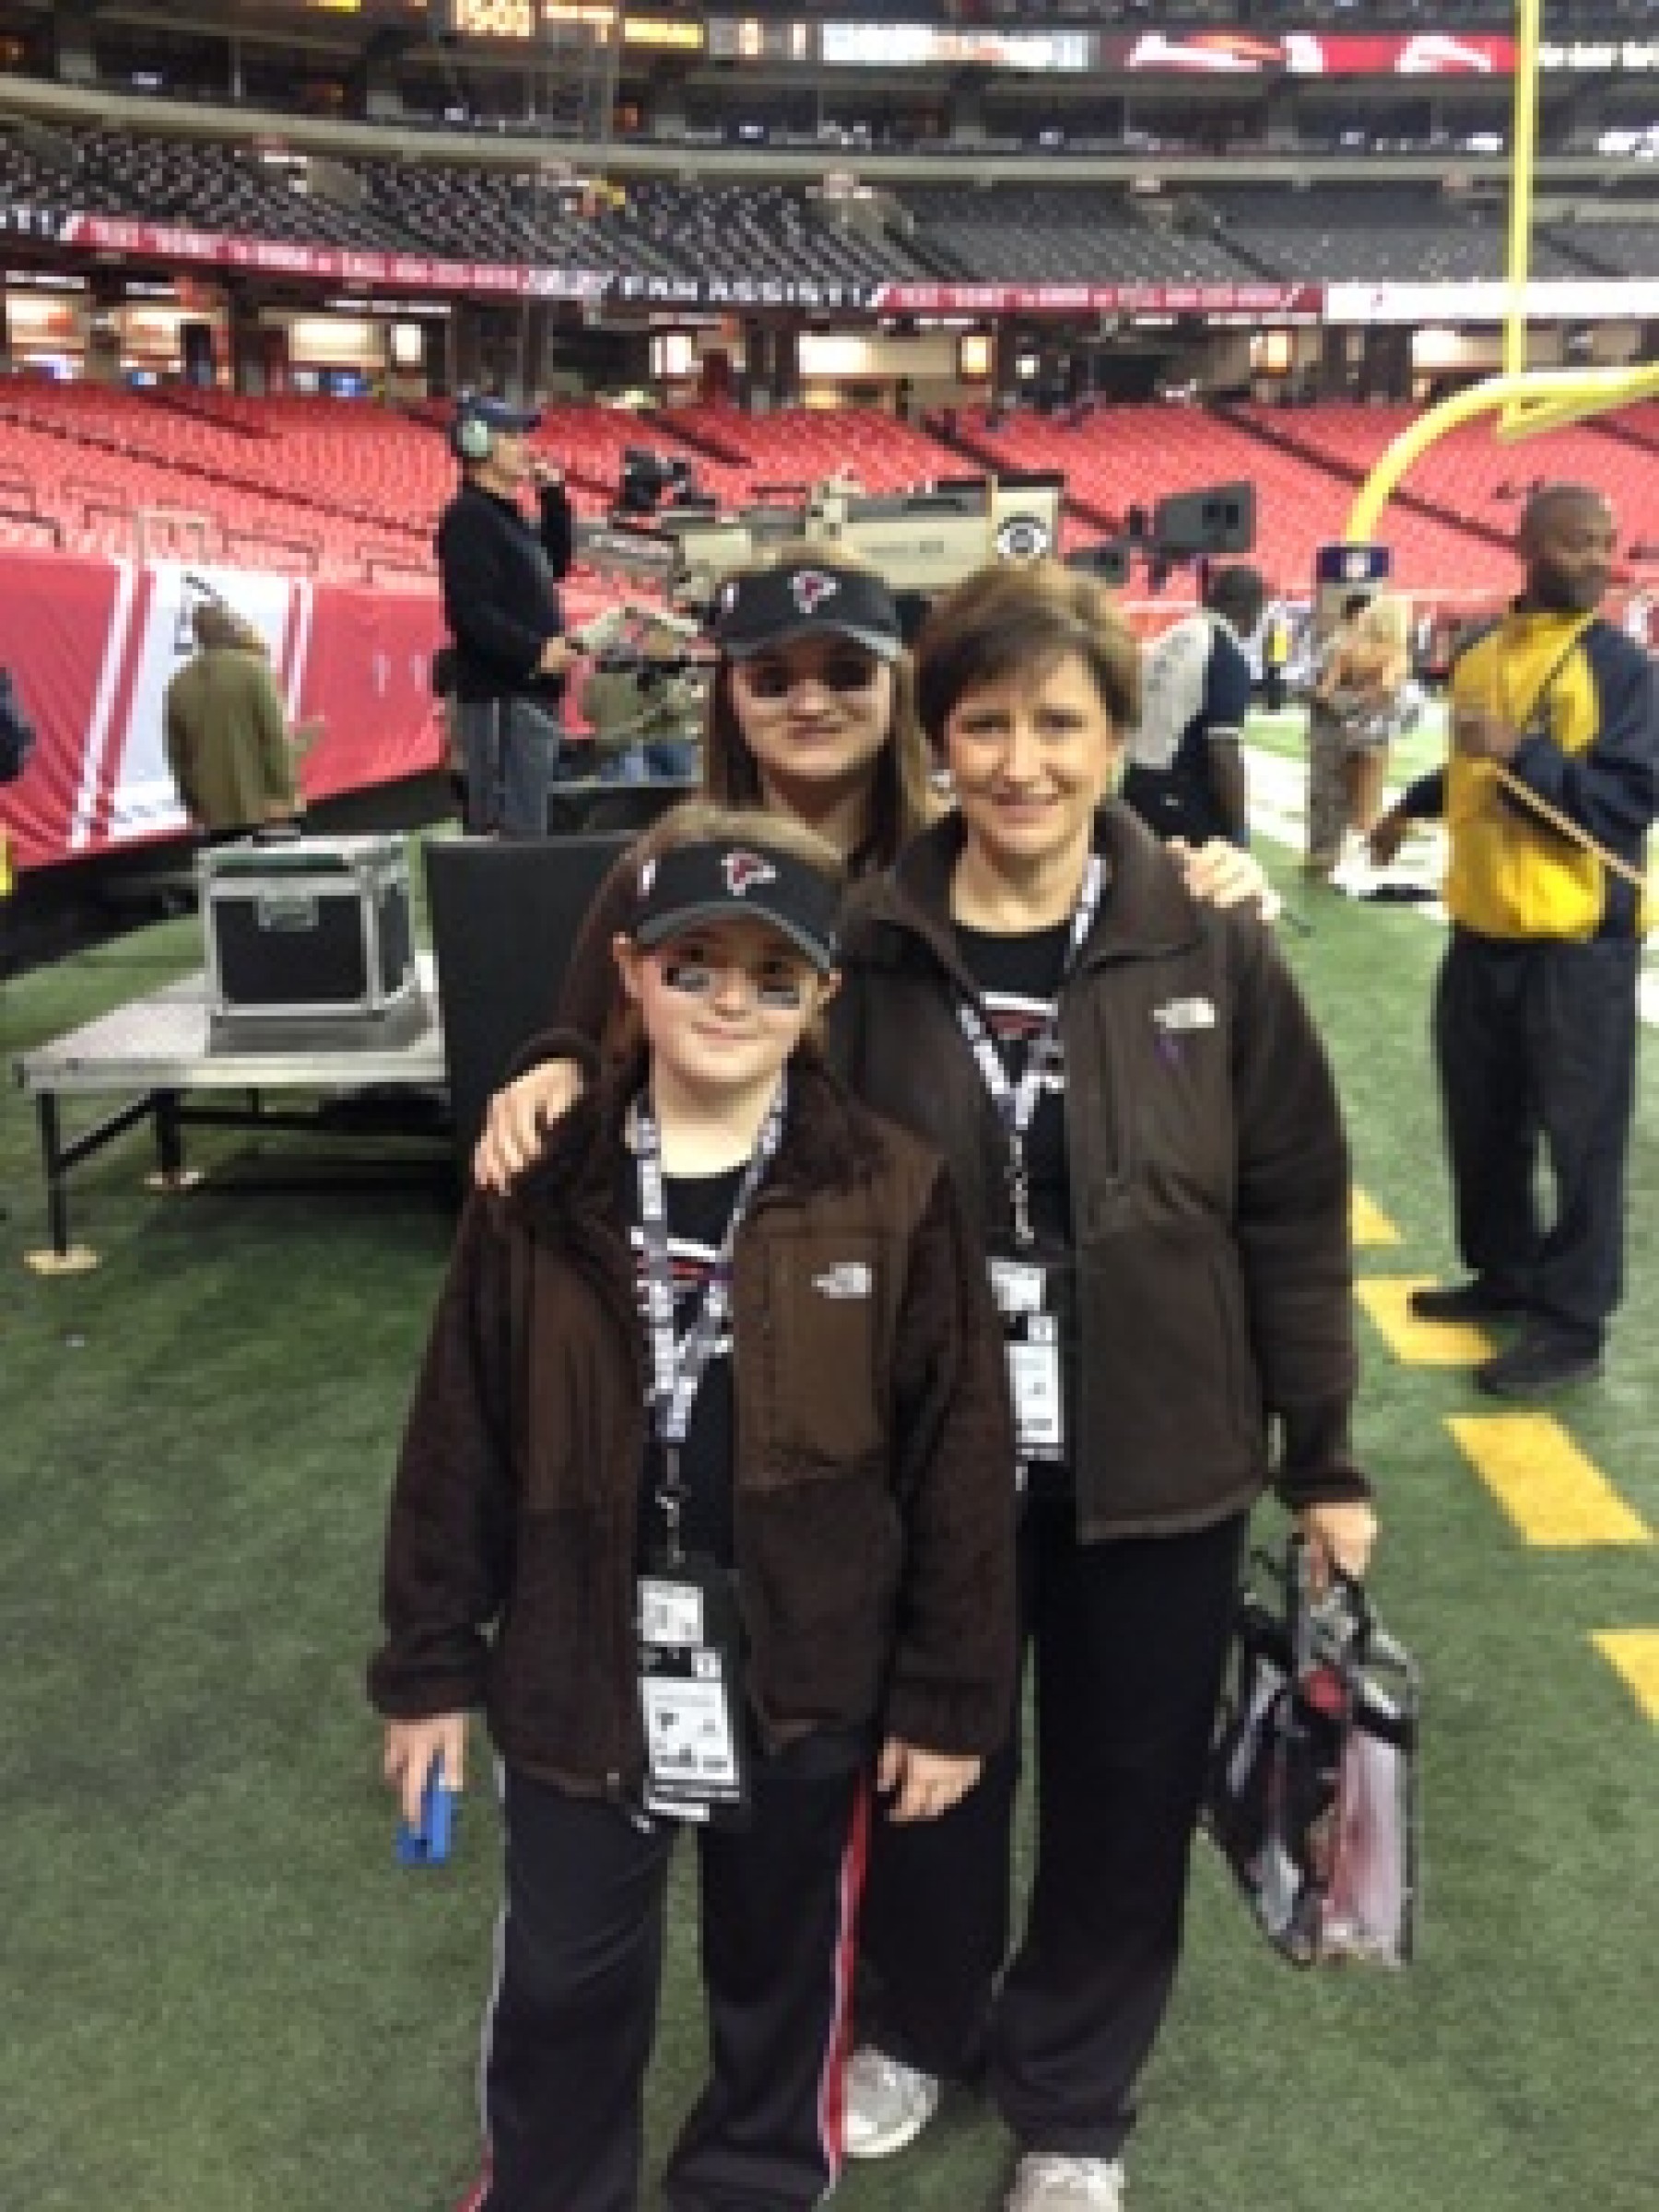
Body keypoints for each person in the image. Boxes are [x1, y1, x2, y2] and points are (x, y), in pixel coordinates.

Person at [369, 803, 1018, 2212]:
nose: (732, 1000)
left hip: (807, 1666)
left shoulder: (895, 1192)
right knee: (561, 1970)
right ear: (629, 970)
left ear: (822, 999)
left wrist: (950, 1695)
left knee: (785, 1972)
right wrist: (428, 1667)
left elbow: (960, 1460)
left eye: (773, 976)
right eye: (695, 965)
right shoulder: (534, 1185)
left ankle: (754, 2184)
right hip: (574, 1662)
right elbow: (455, 1437)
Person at [830, 560, 1377, 2212]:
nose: (1018, 761)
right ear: (936, 741)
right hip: (933, 1464)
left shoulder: (1207, 938)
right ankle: (918, 2025)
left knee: (1126, 1790)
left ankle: (1075, 2098)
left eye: (1056, 722)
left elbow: (1288, 1202)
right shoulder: (865, 946)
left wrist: (1327, 1456)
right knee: (931, 1760)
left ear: (1116, 730)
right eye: (982, 723)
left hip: (1164, 1459)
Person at [474, 547, 1270, 1188]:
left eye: (847, 673)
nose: (810, 703)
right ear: (730, 700)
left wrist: (1200, 872)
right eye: (773, 680)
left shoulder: (970, 859)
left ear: (898, 688)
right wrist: (551, 1069)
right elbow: (581, 1035)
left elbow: (1090, 874)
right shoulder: (666, 864)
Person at [1370, 482, 1659, 1399]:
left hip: (1578, 946)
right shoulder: (1481, 651)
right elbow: (1468, 765)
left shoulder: (1621, 668)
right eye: (1577, 542)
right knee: (1484, 1121)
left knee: (1581, 1140)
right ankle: (1506, 1274)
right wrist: (1411, 810)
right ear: (1527, 542)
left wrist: (1521, 754)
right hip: (1481, 931)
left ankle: (1572, 1325)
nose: (1598, 561)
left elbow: (1627, 798)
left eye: (1606, 543)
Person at [436, 394, 579, 839]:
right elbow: (470, 612)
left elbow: (553, 563)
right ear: (476, 443)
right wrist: (536, 652)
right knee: (510, 835)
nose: (527, 447)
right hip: (504, 702)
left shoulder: (505, 517)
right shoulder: (469, 517)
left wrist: (553, 499)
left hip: (527, 700)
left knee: (530, 831)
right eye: (512, 437)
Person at [1120, 563, 1265, 851]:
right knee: (1198, 892)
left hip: (1137, 783)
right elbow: (1223, 750)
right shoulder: (1224, 653)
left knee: (1142, 888)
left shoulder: (1168, 639)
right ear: (1248, 608)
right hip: (1184, 795)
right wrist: (1238, 826)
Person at [163, 601, 317, 839]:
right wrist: (284, 796)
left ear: (198, 636)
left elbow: (178, 759)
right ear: (230, 629)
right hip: (263, 810)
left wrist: (194, 808)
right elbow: (275, 740)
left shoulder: (177, 685)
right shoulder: (255, 671)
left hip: (212, 814)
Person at [1313, 589, 1416, 853]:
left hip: (1347, 732)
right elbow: (1386, 686)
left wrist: (1350, 705)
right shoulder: (1396, 653)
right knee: (1368, 807)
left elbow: (1324, 692)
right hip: (1378, 735)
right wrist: (1377, 697)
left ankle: (1337, 857)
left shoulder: (1348, 648)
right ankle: (1363, 865)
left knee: (1345, 803)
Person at [1303, 589, 1371, 878]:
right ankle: (1324, 854)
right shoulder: (1337, 646)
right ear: (1354, 615)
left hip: (1343, 730)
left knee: (1335, 794)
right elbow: (1317, 692)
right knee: (1330, 794)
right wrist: (1357, 701)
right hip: (1332, 729)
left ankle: (1325, 853)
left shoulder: (1354, 646)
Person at [1260, 598, 1292, 712]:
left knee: (1273, 681)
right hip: (1275, 657)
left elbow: (1266, 640)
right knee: (1275, 680)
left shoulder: (1274, 622)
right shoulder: (1283, 623)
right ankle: (1274, 704)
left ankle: (1273, 705)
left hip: (1274, 657)